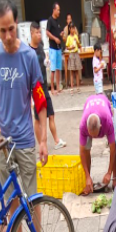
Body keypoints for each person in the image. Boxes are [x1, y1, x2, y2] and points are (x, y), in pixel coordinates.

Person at [0, 0, 49, 232]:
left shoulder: (29, 57)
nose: (8, 36)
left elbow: (40, 100)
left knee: (32, 198)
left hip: (24, 139)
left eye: (11, 29)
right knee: (10, 199)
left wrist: (43, 139)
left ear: (17, 26)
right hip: (2, 142)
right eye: (2, 31)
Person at [29, 21, 66, 150]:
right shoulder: (28, 52)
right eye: (37, 32)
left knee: (51, 114)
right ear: (31, 33)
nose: (39, 35)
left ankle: (56, 141)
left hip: (44, 85)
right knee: (38, 119)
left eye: (40, 32)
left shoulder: (40, 46)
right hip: (35, 88)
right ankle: (40, 144)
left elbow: (44, 60)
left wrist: (47, 61)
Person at [79, 94, 116, 195]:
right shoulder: (83, 125)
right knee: (86, 149)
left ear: (101, 126)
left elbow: (113, 148)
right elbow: (82, 152)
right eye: (92, 136)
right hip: (89, 101)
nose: (95, 138)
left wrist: (109, 173)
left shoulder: (107, 121)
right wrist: (87, 176)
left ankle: (114, 179)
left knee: (114, 144)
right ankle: (88, 182)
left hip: (104, 103)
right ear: (87, 129)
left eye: (96, 135)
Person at [46, 3, 64, 95]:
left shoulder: (57, 21)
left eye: (59, 10)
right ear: (54, 10)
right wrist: (55, 38)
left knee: (58, 68)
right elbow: (47, 32)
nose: (59, 11)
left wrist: (61, 34)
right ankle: (52, 89)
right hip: (52, 48)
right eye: (58, 10)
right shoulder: (50, 20)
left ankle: (58, 87)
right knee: (52, 69)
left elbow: (58, 32)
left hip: (58, 48)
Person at [66, 23, 82, 93]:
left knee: (77, 71)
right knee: (72, 72)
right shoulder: (69, 37)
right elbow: (67, 47)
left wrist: (78, 43)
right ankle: (72, 88)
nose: (73, 30)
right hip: (71, 54)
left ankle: (78, 87)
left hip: (76, 53)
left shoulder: (76, 36)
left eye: (74, 28)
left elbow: (79, 45)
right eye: (72, 28)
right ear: (69, 29)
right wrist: (71, 47)